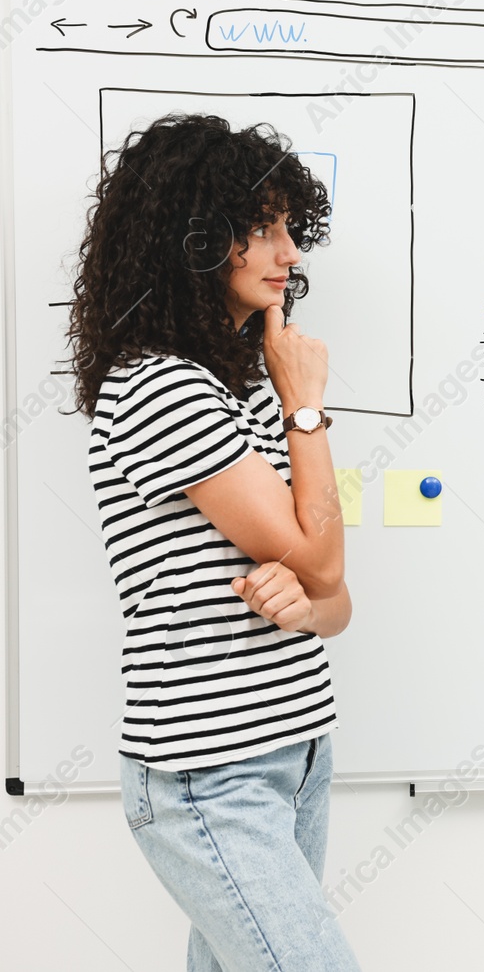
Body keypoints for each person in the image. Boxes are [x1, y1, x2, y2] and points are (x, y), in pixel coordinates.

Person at [68, 114, 360, 970]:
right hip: (210, 774)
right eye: (263, 229)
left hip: (299, 749)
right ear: (193, 240)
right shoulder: (162, 387)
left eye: (289, 230)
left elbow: (337, 601)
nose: (290, 253)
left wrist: (307, 602)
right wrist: (306, 401)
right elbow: (325, 556)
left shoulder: (235, 391)